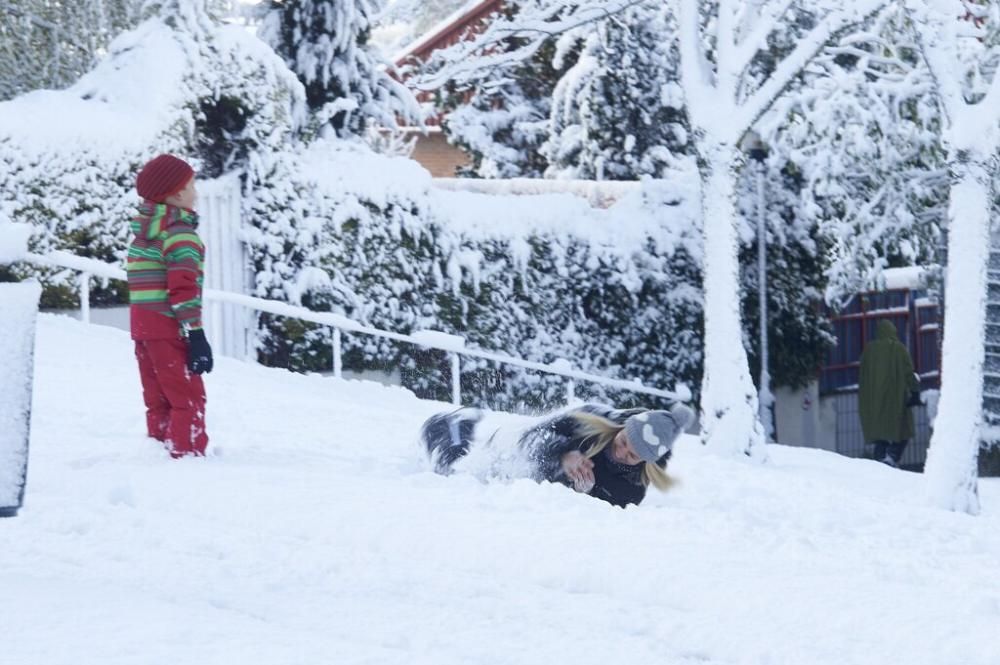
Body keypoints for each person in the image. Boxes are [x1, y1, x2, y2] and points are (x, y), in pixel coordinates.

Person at [422, 402, 695, 507]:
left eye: (633, 455)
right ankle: (447, 429)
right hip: (516, 457)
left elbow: (603, 521)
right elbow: (531, 438)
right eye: (623, 440)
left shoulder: (633, 489)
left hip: (538, 493)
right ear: (622, 427)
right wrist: (563, 455)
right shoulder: (591, 418)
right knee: (455, 474)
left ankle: (463, 428)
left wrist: (584, 495)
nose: (620, 451)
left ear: (646, 463)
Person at [127, 154, 213, 458]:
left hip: (143, 330)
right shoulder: (181, 236)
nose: (196, 192)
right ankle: (185, 456)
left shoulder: (143, 236)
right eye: (192, 186)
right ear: (177, 194)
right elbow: (183, 291)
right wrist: (196, 335)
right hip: (169, 329)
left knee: (159, 398)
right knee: (187, 398)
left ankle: (159, 451)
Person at [858, 320, 920, 468]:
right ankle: (892, 457)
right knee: (904, 429)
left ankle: (880, 462)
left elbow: (862, 376)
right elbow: (908, 372)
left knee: (880, 435)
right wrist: (915, 391)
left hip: (874, 402)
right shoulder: (898, 349)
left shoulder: (868, 351)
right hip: (896, 400)